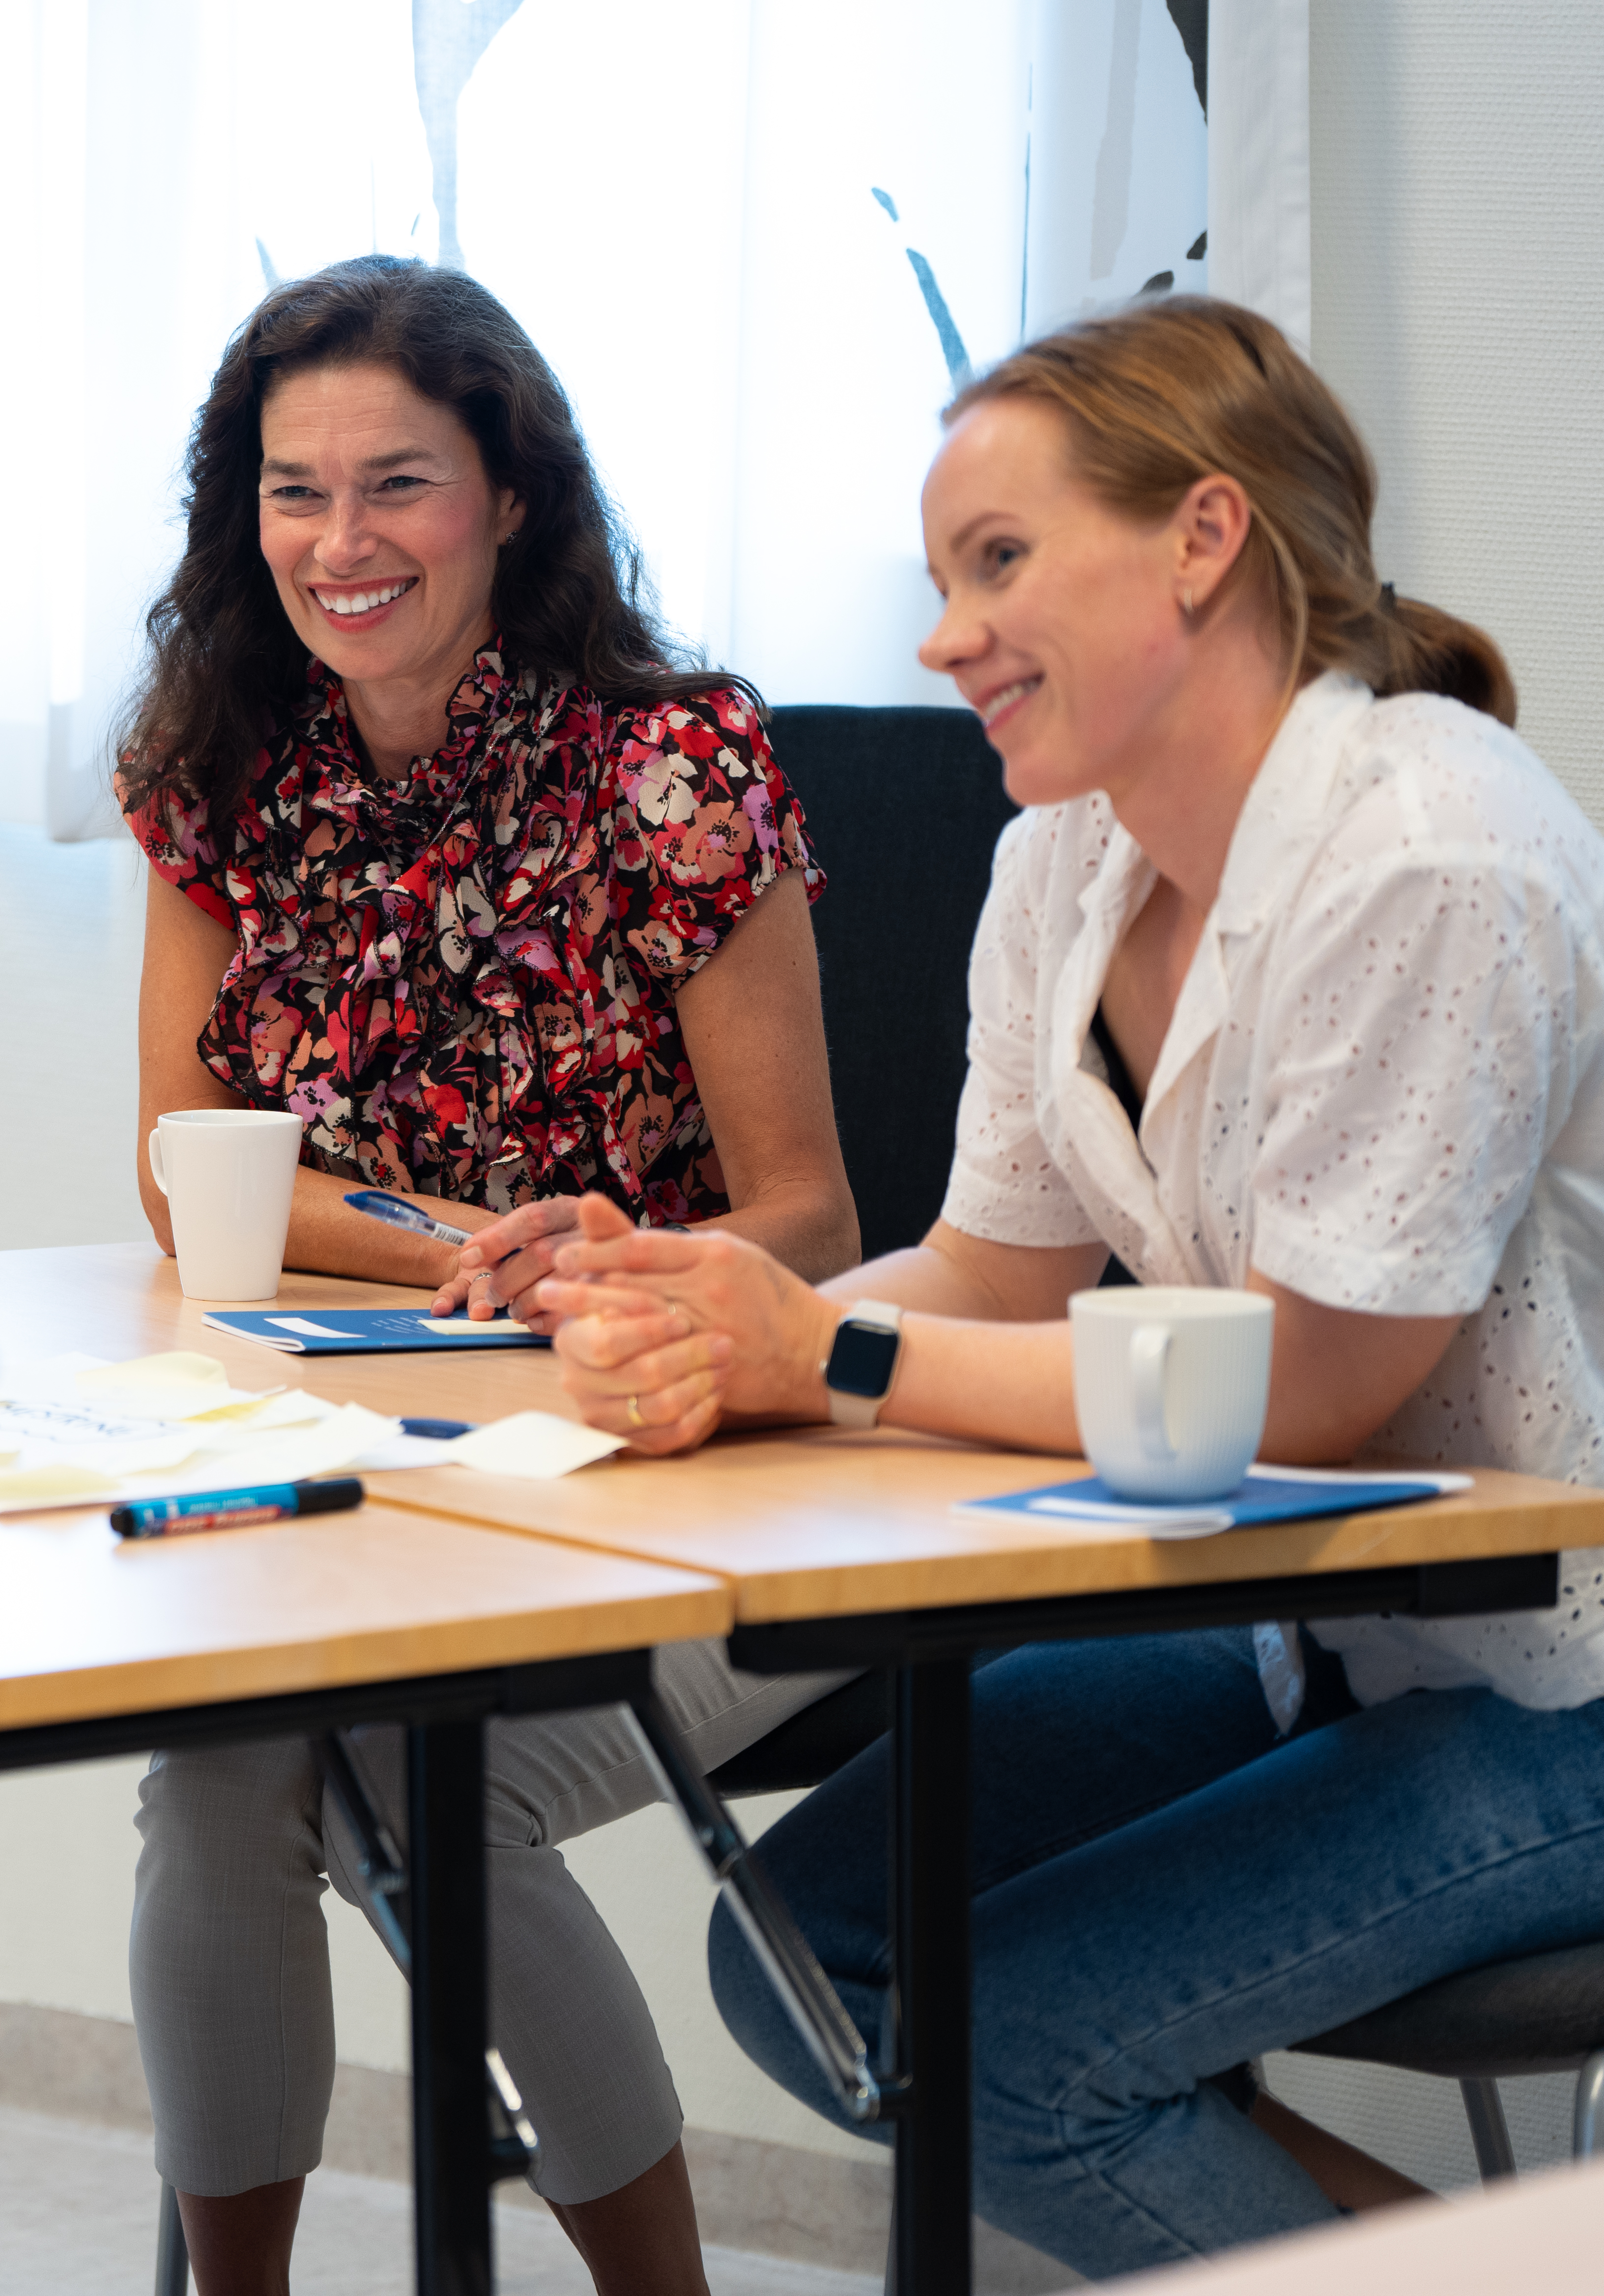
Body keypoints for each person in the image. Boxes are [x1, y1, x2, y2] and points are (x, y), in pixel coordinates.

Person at [533, 294, 1604, 2277]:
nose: (946, 635)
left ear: (1202, 538)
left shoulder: (1437, 849)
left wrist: (820, 1352)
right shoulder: (1072, 856)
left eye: (1000, 561)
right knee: (806, 1951)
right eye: (945, 577)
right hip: (1336, 1636)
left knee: (1015, 2043)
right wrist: (708, 1315)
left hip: (1563, 1680)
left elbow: (1309, 1397)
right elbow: (995, 1274)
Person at [119, 255, 860, 2296]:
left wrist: (626, 1254)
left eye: (399, 483)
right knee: (215, 1770)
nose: (340, 544)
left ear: (510, 496)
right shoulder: (224, 771)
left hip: (688, 1448)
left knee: (414, 1773)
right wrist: (473, 1243)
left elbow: (811, 1214)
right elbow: (198, 1184)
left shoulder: (674, 764)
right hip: (386, 1438)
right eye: (293, 491)